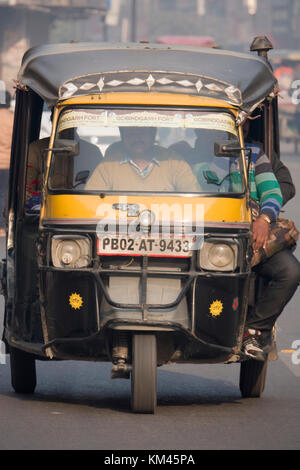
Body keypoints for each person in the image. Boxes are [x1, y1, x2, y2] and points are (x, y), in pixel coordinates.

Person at [242, 118, 300, 361]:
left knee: (290, 271)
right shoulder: (194, 155)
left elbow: (279, 189)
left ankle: (254, 331)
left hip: (255, 234)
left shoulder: (256, 154)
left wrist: (264, 217)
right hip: (214, 237)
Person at [86, 126, 200, 192]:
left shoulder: (174, 162)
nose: (137, 138)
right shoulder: (108, 165)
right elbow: (90, 201)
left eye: (142, 132)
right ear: (122, 136)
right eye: (131, 133)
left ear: (153, 134)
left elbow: (195, 198)